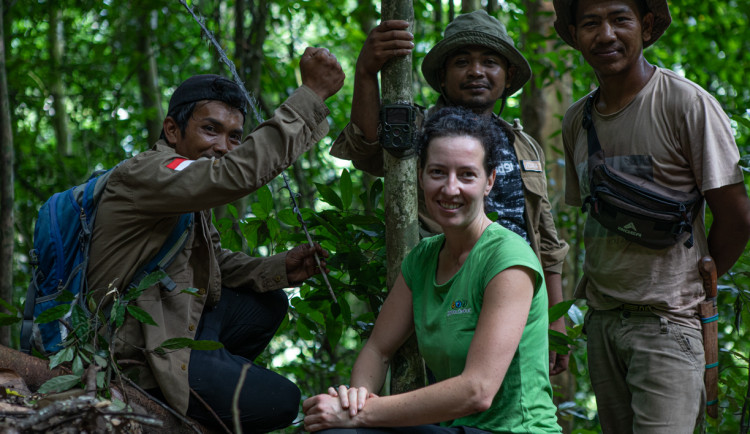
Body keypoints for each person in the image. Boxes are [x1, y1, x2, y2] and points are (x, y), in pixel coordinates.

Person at [86, 47, 345, 432]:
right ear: (173, 130)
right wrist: (309, 96)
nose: (223, 146)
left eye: (234, 136)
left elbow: (209, 262)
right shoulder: (150, 171)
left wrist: (278, 268)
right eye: (211, 129)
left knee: (268, 303)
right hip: (134, 348)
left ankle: (201, 385)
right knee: (285, 402)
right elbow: (231, 175)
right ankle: (163, 390)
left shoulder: (183, 186)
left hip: (174, 324)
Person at [330, 10, 571, 375]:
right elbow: (367, 148)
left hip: (517, 302)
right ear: (443, 78)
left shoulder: (523, 145)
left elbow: (547, 241)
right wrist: (366, 73)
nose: (476, 71)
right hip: (445, 301)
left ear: (507, 79)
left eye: (490, 62)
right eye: (462, 62)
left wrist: (555, 319)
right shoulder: (419, 132)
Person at [552, 0, 750, 431]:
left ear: (644, 25)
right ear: (576, 35)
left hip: (668, 326)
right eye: (590, 23)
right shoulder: (576, 121)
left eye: (619, 19)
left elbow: (736, 219)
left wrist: (694, 286)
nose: (605, 34)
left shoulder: (686, 104)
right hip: (603, 324)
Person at [302, 106, 561, 433]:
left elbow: (478, 390)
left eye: (467, 174)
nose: (450, 188)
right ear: (420, 175)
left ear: (489, 181)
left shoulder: (507, 258)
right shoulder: (423, 258)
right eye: (438, 172)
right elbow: (378, 349)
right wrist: (357, 400)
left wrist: (362, 415)